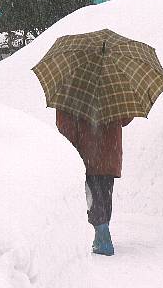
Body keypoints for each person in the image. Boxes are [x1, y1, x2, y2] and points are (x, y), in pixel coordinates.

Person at [56, 109, 133, 256]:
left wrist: (69, 150)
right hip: (110, 151)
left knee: (92, 196)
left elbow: (64, 126)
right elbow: (125, 118)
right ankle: (102, 233)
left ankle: (102, 237)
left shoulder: (73, 90)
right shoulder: (114, 89)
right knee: (105, 195)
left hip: (87, 152)